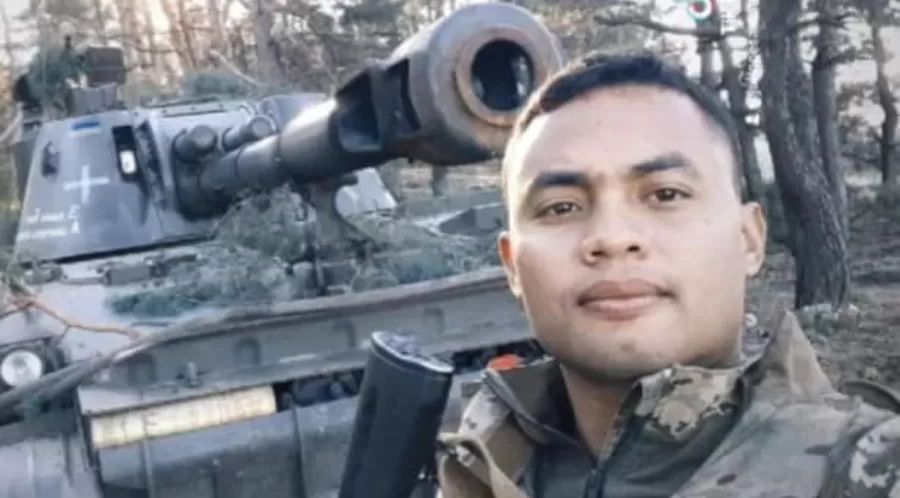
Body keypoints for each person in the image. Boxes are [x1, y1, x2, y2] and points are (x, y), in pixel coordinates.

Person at [436, 52, 900, 498]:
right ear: (512, 266)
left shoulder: (872, 469)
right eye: (561, 207)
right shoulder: (470, 462)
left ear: (749, 239)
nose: (613, 237)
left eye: (665, 195)